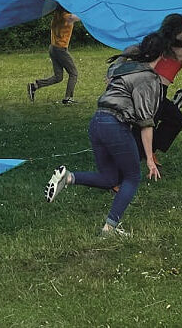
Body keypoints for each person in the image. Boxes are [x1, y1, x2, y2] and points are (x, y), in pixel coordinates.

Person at [44, 32, 164, 236]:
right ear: (162, 54)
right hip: (115, 125)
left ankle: (69, 177)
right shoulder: (148, 77)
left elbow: (114, 70)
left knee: (109, 178)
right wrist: (150, 159)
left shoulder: (122, 68)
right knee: (132, 177)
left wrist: (128, 53)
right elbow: (145, 122)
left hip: (97, 121)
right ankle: (110, 228)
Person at [119, 14, 182, 164]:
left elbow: (131, 49)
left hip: (142, 88)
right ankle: (119, 176)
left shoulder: (155, 42)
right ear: (179, 30)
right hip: (154, 92)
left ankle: (148, 150)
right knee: (143, 129)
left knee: (175, 119)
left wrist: (118, 64)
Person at [27, 3, 81, 105]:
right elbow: (75, 18)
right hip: (60, 49)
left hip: (53, 47)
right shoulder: (65, 16)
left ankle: (34, 86)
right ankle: (68, 98)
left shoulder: (57, 14)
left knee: (58, 77)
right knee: (73, 73)